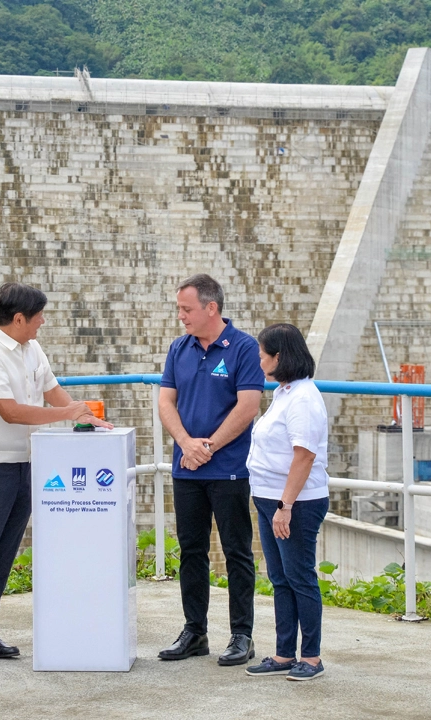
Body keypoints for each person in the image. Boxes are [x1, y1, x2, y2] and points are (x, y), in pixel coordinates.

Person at [0, 282, 112, 669]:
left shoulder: (32, 348)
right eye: (38, 316)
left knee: (4, 552)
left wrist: (87, 418)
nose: (42, 322)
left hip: (27, 461)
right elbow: (11, 411)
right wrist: (67, 414)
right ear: (19, 318)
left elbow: (53, 391)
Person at [157, 273, 264, 667]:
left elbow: (248, 406)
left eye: (187, 309)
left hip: (229, 469)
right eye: (180, 309)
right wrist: (187, 443)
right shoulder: (178, 348)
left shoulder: (244, 347)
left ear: (211, 307)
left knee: (237, 552)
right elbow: (166, 402)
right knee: (191, 551)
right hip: (186, 468)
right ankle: (194, 632)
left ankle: (242, 635)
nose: (181, 316)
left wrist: (208, 447)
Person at [243, 323, 329, 682]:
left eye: (263, 355)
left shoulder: (304, 399)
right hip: (269, 500)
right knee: (280, 579)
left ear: (279, 357)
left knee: (300, 577)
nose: (259, 361)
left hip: (295, 504)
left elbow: (304, 455)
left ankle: (311, 657)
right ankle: (283, 654)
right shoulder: (284, 392)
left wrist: (286, 506)